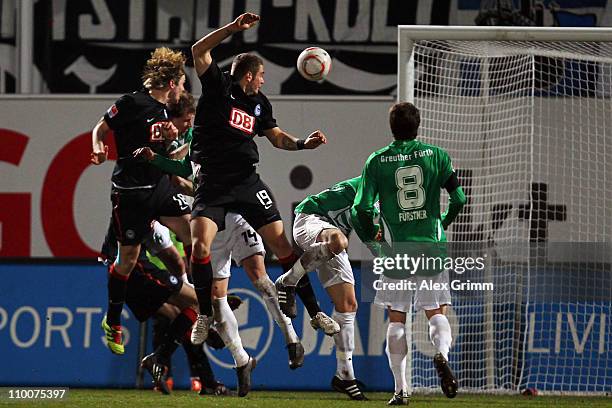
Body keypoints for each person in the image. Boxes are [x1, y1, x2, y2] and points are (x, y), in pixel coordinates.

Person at [187, 12, 333, 395]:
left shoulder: (259, 104)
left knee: (284, 246)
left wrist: (302, 143)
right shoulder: (219, 87)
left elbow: (276, 137)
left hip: (247, 182)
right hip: (213, 185)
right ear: (248, 74)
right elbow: (198, 51)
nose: (264, 80)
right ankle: (203, 314)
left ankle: (314, 312)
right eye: (261, 75)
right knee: (199, 246)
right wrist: (232, 30)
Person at [351, 102, 466, 405]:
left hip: (396, 249)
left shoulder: (377, 161)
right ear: (419, 124)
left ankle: (400, 390)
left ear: (391, 127)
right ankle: (440, 354)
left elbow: (361, 208)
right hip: (430, 245)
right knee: (435, 312)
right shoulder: (437, 156)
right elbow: (459, 198)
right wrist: (442, 223)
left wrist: (373, 235)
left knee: (397, 320)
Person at [91, 47, 192, 356]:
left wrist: (175, 143)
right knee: (127, 261)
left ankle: (204, 299)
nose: (185, 90)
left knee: (195, 236)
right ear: (172, 82)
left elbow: (165, 153)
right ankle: (112, 321)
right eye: (184, 84)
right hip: (131, 192)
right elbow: (101, 127)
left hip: (157, 186)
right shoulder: (131, 102)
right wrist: (97, 147)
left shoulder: (165, 114)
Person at [98, 221, 231, 396]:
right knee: (197, 304)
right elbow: (174, 259)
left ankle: (205, 381)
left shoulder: (123, 208)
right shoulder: (154, 215)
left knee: (180, 318)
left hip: (118, 277)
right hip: (140, 271)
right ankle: (160, 360)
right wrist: (188, 285)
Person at [275, 177, 379, 400]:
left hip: (331, 235)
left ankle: (345, 376)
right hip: (309, 219)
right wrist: (380, 251)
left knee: (348, 305)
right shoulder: (374, 185)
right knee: (339, 241)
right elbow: (361, 221)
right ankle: (289, 280)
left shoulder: (387, 193)